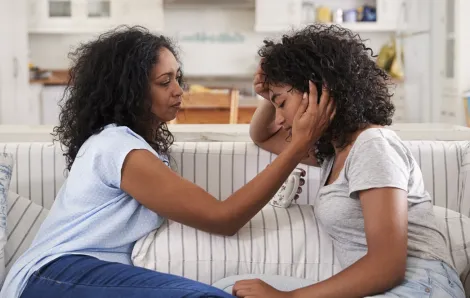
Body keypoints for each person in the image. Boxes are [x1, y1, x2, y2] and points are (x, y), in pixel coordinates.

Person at [0, 26, 335, 298]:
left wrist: (267, 98)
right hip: (54, 275)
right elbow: (223, 218)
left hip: (80, 276)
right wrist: (298, 146)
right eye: (164, 82)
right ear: (128, 91)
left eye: (178, 78)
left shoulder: (133, 146)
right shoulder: (118, 148)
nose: (178, 91)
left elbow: (260, 136)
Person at [232, 24, 465, 298]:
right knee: (231, 288)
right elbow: (262, 136)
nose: (279, 118)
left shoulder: (373, 146)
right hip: (387, 288)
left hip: (421, 286)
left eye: (282, 104)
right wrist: (270, 97)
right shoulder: (335, 153)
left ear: (316, 90)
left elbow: (388, 267)